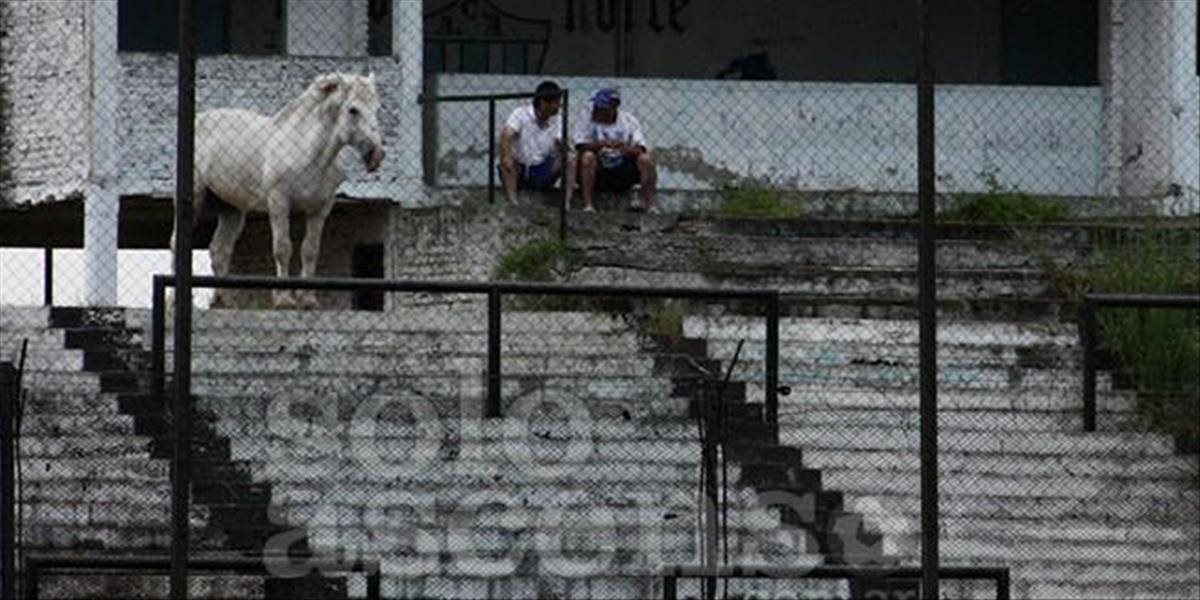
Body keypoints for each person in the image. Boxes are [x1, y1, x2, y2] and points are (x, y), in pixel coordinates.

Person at [574, 87, 658, 213]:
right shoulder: (587, 118)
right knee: (587, 157)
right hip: (599, 169)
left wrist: (624, 149)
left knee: (646, 160)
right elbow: (580, 146)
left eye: (601, 107)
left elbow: (641, 149)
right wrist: (602, 144)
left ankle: (651, 206)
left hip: (623, 168)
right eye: (596, 106)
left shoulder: (629, 121)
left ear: (614, 107)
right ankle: (588, 205)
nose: (596, 110)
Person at [498, 80, 573, 206]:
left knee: (571, 158)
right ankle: (514, 202)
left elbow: (561, 142)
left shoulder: (558, 119)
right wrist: (507, 155)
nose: (558, 106)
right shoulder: (520, 113)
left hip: (543, 167)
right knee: (506, 161)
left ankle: (566, 204)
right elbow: (506, 136)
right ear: (543, 103)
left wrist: (563, 145)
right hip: (521, 166)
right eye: (555, 102)